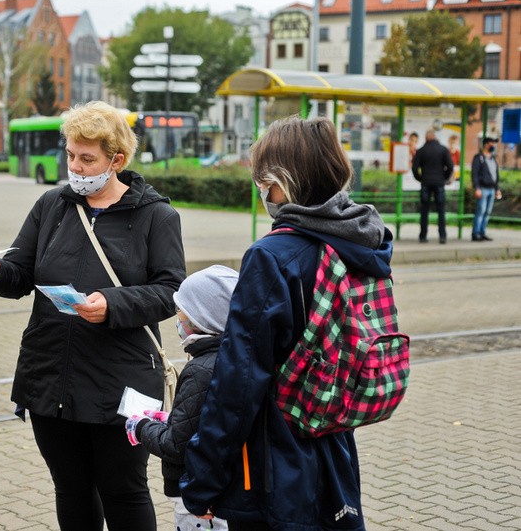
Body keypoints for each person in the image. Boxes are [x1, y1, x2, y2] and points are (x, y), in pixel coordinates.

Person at [0, 100, 186, 530]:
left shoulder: (156, 216)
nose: (75, 165)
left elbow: (171, 291)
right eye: (71, 154)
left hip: (121, 382)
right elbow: (21, 273)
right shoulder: (52, 205)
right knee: (70, 488)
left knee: (123, 489)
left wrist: (112, 304)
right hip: (52, 375)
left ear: (117, 160)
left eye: (87, 158)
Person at [182, 116, 394, 530]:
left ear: (285, 181)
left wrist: (202, 481)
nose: (262, 190)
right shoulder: (361, 242)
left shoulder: (272, 257)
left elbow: (239, 381)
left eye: (264, 180)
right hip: (334, 439)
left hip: (274, 458)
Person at [125, 265, 238, 531]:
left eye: (182, 311)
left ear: (204, 317)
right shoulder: (234, 358)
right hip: (229, 490)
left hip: (198, 495)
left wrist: (140, 426)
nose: (177, 318)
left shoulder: (200, 369)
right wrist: (171, 419)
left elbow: (177, 445)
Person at [412, 130, 453, 244]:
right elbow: (450, 166)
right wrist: (443, 178)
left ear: (426, 138)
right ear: (435, 138)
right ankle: (442, 236)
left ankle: (423, 236)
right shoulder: (443, 149)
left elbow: (415, 169)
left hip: (425, 183)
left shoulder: (421, 151)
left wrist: (421, 178)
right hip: (439, 183)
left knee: (424, 210)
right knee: (441, 210)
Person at [471, 137, 502, 241]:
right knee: (481, 211)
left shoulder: (493, 159)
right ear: (485, 144)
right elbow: (474, 174)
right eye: (491, 143)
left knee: (487, 212)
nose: (493, 145)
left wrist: (497, 189)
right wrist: (477, 188)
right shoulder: (479, 158)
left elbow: (496, 175)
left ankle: (482, 232)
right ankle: (476, 233)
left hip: (492, 189)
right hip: (483, 189)